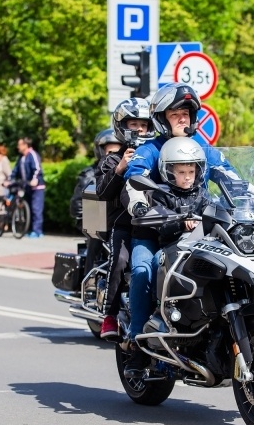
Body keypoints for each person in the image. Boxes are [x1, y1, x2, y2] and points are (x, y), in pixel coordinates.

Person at [120, 83, 235, 374]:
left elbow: (231, 176)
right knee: (143, 270)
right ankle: (136, 342)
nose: (182, 118)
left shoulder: (203, 149)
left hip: (197, 229)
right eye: (175, 114)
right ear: (161, 118)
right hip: (154, 230)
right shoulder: (150, 149)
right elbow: (134, 179)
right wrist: (139, 205)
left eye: (185, 112)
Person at [121, 137, 210, 376]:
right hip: (164, 244)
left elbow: (217, 210)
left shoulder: (202, 194)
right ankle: (138, 341)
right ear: (169, 171)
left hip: (196, 249)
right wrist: (179, 223)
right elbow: (160, 224)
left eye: (191, 170)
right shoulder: (161, 192)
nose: (187, 176)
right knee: (145, 270)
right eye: (181, 171)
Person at [95, 98, 154, 340]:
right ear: (121, 126)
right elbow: (102, 192)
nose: (139, 129)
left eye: (143, 124)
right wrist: (120, 167)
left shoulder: (155, 155)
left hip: (155, 225)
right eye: (133, 124)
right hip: (124, 225)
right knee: (120, 260)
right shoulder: (111, 159)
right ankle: (109, 315)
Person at [70, 129, 121, 275]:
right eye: (110, 152)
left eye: (118, 152)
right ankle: (90, 279)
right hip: (94, 221)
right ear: (100, 151)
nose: (114, 156)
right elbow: (77, 206)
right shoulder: (90, 174)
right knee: (96, 230)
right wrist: (85, 219)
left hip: (116, 219)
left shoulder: (125, 170)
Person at [10, 137, 45, 238]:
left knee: (36, 209)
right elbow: (15, 170)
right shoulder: (21, 158)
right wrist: (10, 180)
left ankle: (38, 231)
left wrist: (35, 179)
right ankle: (30, 230)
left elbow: (37, 169)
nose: (18, 147)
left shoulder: (32, 155)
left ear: (25, 145)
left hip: (37, 187)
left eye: (20, 144)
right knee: (28, 207)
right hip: (27, 186)